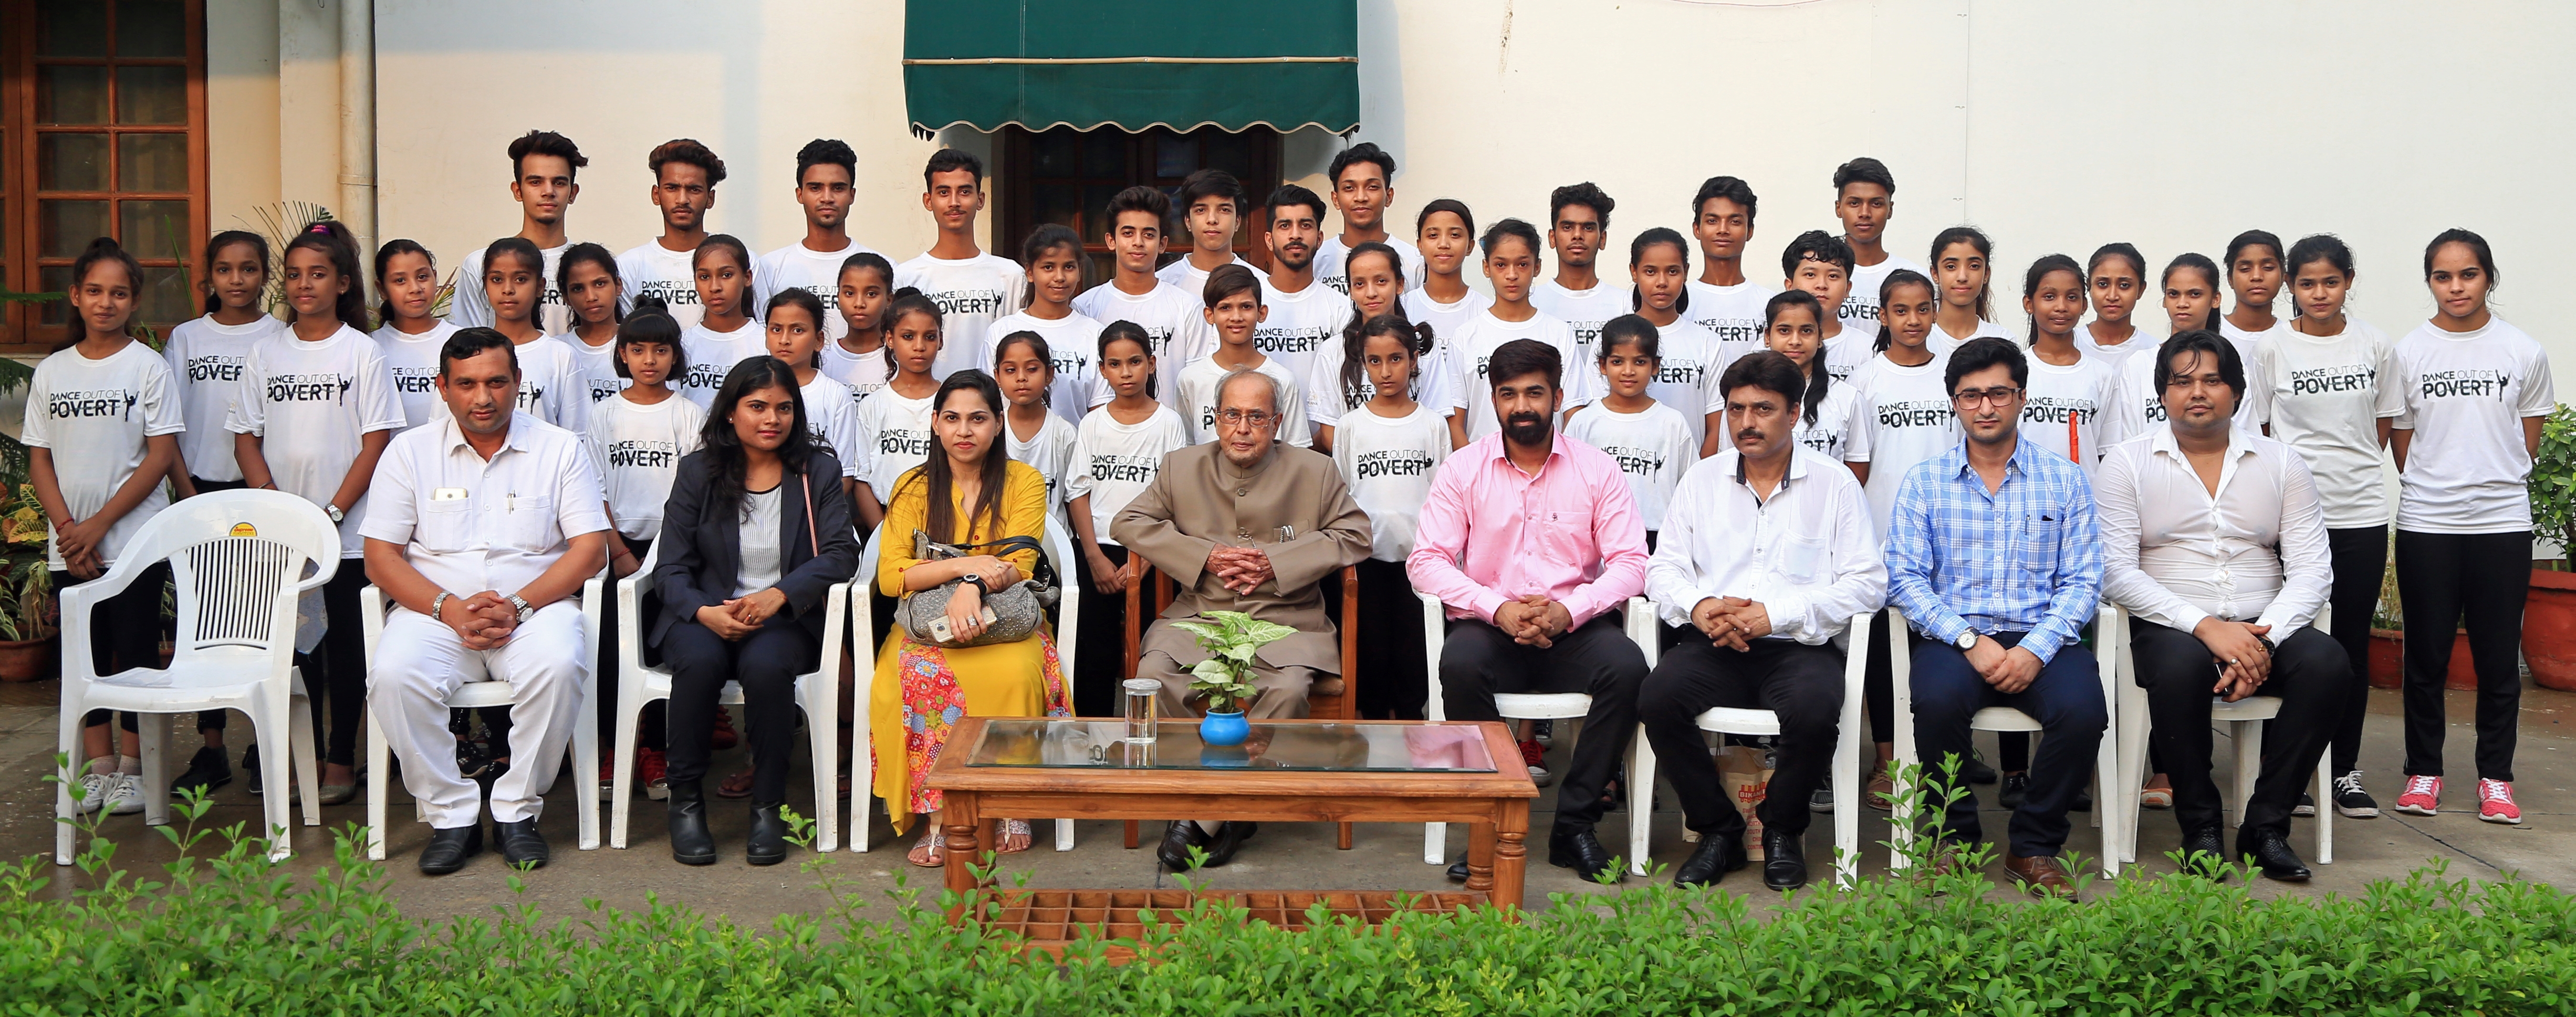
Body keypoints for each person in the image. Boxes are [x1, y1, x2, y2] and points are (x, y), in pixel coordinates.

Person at [361, 327, 610, 874]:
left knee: (561, 662)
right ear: (443, 387)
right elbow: (380, 556)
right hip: (435, 612)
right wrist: (449, 608)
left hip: (533, 609)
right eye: (467, 383)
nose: (483, 396)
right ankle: (452, 813)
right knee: (394, 673)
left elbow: (590, 549)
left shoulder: (559, 448)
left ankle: (518, 810)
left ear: (518, 382)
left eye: (497, 381)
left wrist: (518, 605)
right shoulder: (410, 451)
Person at [2099, 330, 2341, 882]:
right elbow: (2117, 571)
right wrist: (2207, 627)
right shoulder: (2126, 463)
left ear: (2236, 390)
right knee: (2181, 666)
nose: (2197, 392)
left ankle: (2266, 825)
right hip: (2172, 624)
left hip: (2264, 619)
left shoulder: (2282, 462)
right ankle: (2201, 827)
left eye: (2212, 379)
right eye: (2182, 381)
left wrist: (2262, 639)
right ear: (2162, 393)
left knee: (2329, 664)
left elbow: (2313, 570)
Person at [1641, 351, 1886, 890]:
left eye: (1763, 408)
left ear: (1795, 413)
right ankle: (1718, 831)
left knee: (1818, 706)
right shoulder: (1701, 480)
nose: (1746, 422)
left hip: (1797, 646)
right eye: (1736, 409)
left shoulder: (1835, 483)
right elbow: (1663, 568)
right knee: (1658, 697)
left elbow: (1867, 582)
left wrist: (1775, 614)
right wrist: (1702, 608)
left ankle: (1781, 829)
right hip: (1713, 643)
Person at [1409, 338, 1651, 884]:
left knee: (1629, 668)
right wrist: (1496, 608)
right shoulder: (1463, 469)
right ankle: (1493, 825)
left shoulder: (1597, 469)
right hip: (1492, 627)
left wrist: (1570, 610)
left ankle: (1575, 825)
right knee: (1460, 664)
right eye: (1509, 393)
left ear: (1559, 397)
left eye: (1535, 393)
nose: (1523, 405)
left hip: (1577, 627)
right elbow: (1426, 560)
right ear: (1493, 399)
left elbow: (1633, 562)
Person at [1113, 366, 1372, 871]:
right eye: (1232, 414)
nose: (1243, 428)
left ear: (1276, 422)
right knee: (1151, 679)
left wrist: (1280, 561)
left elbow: (1356, 535)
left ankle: (1206, 816)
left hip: (1287, 621)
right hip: (1200, 617)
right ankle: (1221, 809)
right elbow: (1128, 521)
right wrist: (1203, 555)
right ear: (1215, 419)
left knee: (1289, 689)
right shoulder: (1181, 466)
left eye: (1257, 417)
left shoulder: (1313, 471)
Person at [1884, 337, 2105, 899]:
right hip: (1955, 637)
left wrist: (2036, 648)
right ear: (1954, 402)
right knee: (1935, 701)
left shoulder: (2065, 478)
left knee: (2083, 712)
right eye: (1971, 395)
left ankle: (2033, 844)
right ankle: (1953, 840)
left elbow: (2083, 580)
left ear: (2022, 397)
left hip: (2042, 635)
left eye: (1998, 393)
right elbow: (1905, 578)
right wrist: (1967, 638)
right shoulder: (1924, 481)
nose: (1986, 406)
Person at [652, 357, 859, 866]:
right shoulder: (698, 471)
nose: (772, 418)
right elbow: (670, 568)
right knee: (698, 664)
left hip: (782, 618)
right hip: (706, 613)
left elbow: (840, 552)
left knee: (768, 668)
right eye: (758, 406)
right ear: (730, 412)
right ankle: (686, 801)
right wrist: (704, 612)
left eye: (784, 408)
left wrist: (780, 594)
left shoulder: (817, 470)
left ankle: (769, 803)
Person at [2380, 228, 2554, 825]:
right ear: (2429, 281)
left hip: (2502, 524)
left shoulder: (2523, 350)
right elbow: (2404, 446)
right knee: (2425, 656)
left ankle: (2496, 778)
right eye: (2443, 276)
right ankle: (2423, 771)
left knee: (2498, 658)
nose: (2456, 286)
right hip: (2428, 521)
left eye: (2469, 274)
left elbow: (2523, 443)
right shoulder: (2407, 353)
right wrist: (2445, 485)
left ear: (2489, 277)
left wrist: (2486, 481)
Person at [231, 221, 406, 808]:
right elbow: (246, 440)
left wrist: (331, 512)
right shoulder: (265, 351)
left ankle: (340, 754)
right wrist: (280, 508)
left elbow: (376, 441)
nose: (304, 284)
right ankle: (293, 749)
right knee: (291, 645)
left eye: (318, 274)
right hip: (282, 533)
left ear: (342, 282)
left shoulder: (363, 351)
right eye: (296, 274)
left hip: (349, 531)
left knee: (347, 648)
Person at [870, 370, 1071, 866]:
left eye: (978, 419)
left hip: (1004, 619)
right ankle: (940, 816)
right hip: (928, 625)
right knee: (913, 676)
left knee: (1015, 672)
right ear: (935, 423)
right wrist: (965, 568)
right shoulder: (913, 486)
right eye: (953, 418)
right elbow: (891, 575)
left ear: (998, 424)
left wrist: (973, 588)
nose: (965, 430)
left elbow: (1019, 565)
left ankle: (1009, 803)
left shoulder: (1023, 480)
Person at [30, 238, 184, 816]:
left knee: (136, 654)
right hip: (72, 547)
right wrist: (69, 529)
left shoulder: (147, 365)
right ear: (76, 295)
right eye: (94, 290)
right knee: (85, 657)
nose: (105, 302)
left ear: (134, 300)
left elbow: (160, 454)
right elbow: (40, 456)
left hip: (133, 544)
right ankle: (97, 768)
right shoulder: (52, 371)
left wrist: (98, 525)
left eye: (118, 292)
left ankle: (135, 766)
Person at [2254, 234, 2395, 820]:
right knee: (2286, 639)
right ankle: (2288, 773)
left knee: (2349, 646)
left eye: (2330, 282)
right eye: (2307, 283)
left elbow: (2381, 430)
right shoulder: (2269, 348)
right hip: (2291, 520)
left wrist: (2344, 478)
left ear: (2349, 281)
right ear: (2291, 285)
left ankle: (2343, 769)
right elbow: (2261, 430)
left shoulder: (2376, 345)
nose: (2318, 293)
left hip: (2359, 512)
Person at [1841, 270, 1958, 803]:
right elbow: (1859, 462)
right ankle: (1887, 759)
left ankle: (1941, 758)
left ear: (1935, 310)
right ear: (1882, 316)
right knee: (1885, 651)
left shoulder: (1953, 377)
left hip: (1948, 531)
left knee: (1937, 644)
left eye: (1922, 308)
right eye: (1901, 310)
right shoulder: (1865, 379)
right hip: (1883, 527)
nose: (1913, 320)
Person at [582, 298, 703, 803]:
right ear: (623, 354)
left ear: (675, 356)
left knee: (659, 651)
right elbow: (591, 490)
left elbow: (694, 492)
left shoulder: (688, 413)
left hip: (671, 550)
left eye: (660, 349)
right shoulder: (603, 414)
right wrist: (620, 553)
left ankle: (655, 748)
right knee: (611, 650)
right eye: (637, 349)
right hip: (616, 547)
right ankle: (616, 749)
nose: (649, 359)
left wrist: (662, 558)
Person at [1063, 322, 1189, 717]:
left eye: (1135, 362)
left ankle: (1153, 732)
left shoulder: (1168, 423)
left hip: (1153, 551)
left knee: (1153, 649)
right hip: (1098, 549)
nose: (1126, 372)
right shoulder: (1092, 424)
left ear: (1151, 364)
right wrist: (1094, 558)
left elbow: (1176, 499)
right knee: (1094, 651)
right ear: (1102, 369)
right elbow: (1077, 492)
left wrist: (1147, 558)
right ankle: (1091, 737)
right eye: (1115, 364)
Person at [1329, 314, 1449, 720]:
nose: (1386, 370)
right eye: (1375, 361)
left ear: (1414, 359)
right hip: (1367, 561)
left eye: (1396, 358)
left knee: (1414, 655)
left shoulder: (1432, 425)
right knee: (1371, 655)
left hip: (1421, 563)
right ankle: (1374, 734)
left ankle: (1414, 738)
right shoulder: (1350, 427)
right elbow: (1340, 495)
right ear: (1363, 363)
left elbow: (1445, 497)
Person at [1448, 219, 1592, 444]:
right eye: (1501, 265)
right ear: (1487, 268)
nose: (1512, 275)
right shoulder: (1466, 336)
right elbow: (1455, 422)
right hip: (1485, 470)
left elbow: (1574, 414)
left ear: (1537, 267)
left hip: (1550, 470)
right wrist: (1474, 469)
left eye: (1522, 264)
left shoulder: (1559, 333)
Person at [1563, 317, 1694, 555]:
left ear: (1655, 366)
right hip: (1595, 539)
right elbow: (1567, 489)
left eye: (1640, 362)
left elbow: (1690, 491)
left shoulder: (1673, 423)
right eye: (1617, 361)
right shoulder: (1583, 422)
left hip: (1658, 540)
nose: (1628, 371)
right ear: (1603, 366)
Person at [1309, 242, 1454, 453]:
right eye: (1359, 284)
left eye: (1381, 281)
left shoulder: (1423, 347)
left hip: (1415, 466)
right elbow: (1330, 431)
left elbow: (1436, 420)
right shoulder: (1333, 351)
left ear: (1400, 284)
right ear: (1349, 290)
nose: (1371, 293)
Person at [1073, 186, 1206, 409]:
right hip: (1106, 437)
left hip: (1175, 438)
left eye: (1148, 234)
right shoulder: (1085, 308)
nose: (1138, 242)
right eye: (1128, 233)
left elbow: (1198, 386)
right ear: (1111, 240)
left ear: (1162, 244)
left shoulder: (1189, 307)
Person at [896, 148, 1024, 378]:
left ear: (980, 199)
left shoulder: (1010, 275)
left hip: (992, 406)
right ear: (928, 201)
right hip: (927, 407)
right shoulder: (905, 276)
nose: (954, 202)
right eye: (944, 192)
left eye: (964, 191)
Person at [450, 130, 586, 333]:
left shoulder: (589, 269)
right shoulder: (481, 264)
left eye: (559, 182)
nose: (548, 191)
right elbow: (467, 342)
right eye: (535, 182)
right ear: (517, 191)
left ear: (573, 193)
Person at [756, 139, 882, 340]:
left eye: (838, 188)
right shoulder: (770, 268)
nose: (827, 198)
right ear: (800, 194)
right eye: (815, 188)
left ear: (852, 195)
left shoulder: (880, 268)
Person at [1179, 265, 1312, 447]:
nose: (1236, 317)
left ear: (1261, 313)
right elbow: (1187, 448)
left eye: (1246, 307)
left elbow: (1297, 450)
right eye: (1225, 308)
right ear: (1210, 315)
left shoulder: (1283, 380)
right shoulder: (1191, 379)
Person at [470, 237, 590, 435]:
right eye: (497, 279)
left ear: (540, 287)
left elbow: (578, 435)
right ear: (485, 285)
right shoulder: (468, 354)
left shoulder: (560, 356)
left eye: (521, 279)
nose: (508, 289)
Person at [985, 225, 1103, 423]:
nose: (1059, 277)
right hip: (1010, 451)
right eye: (1049, 267)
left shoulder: (1095, 334)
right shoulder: (1002, 332)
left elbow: (1100, 412)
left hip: (1075, 450)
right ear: (1030, 273)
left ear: (1080, 271)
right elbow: (988, 401)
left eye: (1069, 267)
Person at [1624, 227, 1726, 456]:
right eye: (1650, 272)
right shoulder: (1614, 339)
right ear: (1634, 272)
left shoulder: (1708, 342)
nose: (1662, 282)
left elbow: (1717, 424)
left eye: (1672, 272)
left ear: (1686, 272)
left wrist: (1697, 475)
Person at [764, 289, 867, 506]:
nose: (784, 340)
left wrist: (815, 514)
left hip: (818, 513)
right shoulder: (752, 390)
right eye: (776, 330)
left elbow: (845, 474)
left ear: (819, 340)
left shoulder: (836, 395)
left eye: (797, 330)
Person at [2018, 254, 2118, 471]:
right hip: (2026, 498)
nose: (2061, 307)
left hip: (2083, 500)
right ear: (2029, 303)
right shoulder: (2015, 370)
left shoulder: (2102, 374)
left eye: (2072, 297)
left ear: (2084, 305)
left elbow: (2108, 452)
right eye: (2049, 297)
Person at [852, 290, 944, 523]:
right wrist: (883, 537)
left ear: (941, 341)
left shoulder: (952, 402)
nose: (920, 346)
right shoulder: (872, 406)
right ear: (890, 339)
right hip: (886, 519)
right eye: (908, 337)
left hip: (944, 520)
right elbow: (862, 479)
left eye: (930, 337)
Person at [616, 138, 725, 329]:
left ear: (710, 198)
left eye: (694, 189)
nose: (682, 200)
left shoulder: (739, 262)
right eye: (672, 188)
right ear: (656, 195)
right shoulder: (628, 266)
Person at [1252, 185, 1348, 395]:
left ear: (1320, 238)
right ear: (1269, 239)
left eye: (1305, 225)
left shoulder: (1342, 310)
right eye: (1285, 225)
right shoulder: (1246, 305)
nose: (1295, 235)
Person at [1531, 182, 1625, 366]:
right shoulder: (1532, 302)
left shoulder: (1625, 305)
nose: (1577, 235)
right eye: (1567, 227)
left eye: (1588, 228)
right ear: (1552, 238)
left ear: (1603, 239)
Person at [1684, 176, 1777, 362]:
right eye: (1712, 221)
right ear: (1697, 229)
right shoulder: (1679, 301)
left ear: (1750, 231)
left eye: (1735, 221)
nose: (1723, 230)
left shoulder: (1770, 303)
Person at [1315, 142, 1425, 292]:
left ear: (1389, 196)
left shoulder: (1414, 262)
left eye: (1372, 187)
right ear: (1336, 199)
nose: (1361, 197)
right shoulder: (1316, 260)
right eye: (1349, 188)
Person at [372, 239, 458, 431]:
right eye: (400, 281)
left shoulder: (461, 342)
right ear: (382, 289)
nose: (415, 288)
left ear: (435, 277)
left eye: (422, 277)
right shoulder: (371, 347)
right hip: (386, 459)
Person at [1830, 158, 1924, 332]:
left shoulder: (1913, 277)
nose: (1865, 213)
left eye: (1876, 204)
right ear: (1838, 208)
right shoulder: (1819, 276)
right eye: (1854, 203)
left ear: (1890, 210)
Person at [1760, 290, 1855, 462]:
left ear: (1820, 337)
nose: (1795, 341)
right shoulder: (1747, 396)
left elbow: (1857, 466)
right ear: (1768, 336)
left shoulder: (1847, 397)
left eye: (1806, 331)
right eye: (1784, 331)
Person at [993, 331, 1078, 521]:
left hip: (1054, 546)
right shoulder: (991, 430)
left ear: (1049, 374)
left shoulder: (1064, 433)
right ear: (997, 376)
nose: (1021, 378)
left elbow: (1073, 498)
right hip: (1000, 543)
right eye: (1010, 370)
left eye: (1032, 369)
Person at [677, 235, 764, 410]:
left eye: (726, 275)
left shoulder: (766, 343)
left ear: (747, 278)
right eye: (704, 277)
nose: (715, 287)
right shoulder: (681, 345)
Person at [1401, 199, 1491, 350]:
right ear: (1420, 245)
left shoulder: (1486, 311)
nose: (1443, 244)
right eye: (1433, 235)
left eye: (1455, 235)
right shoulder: (1402, 308)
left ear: (1470, 246)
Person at [1154, 169, 1256, 296]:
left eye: (1224, 210)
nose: (1212, 219)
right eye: (1201, 210)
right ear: (1187, 221)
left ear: (1238, 221)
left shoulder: (1260, 285)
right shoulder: (1162, 284)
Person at [1782, 230, 1865, 385]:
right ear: (1790, 285)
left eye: (1833, 276)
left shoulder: (1867, 350)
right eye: (1810, 275)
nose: (1822, 285)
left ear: (1848, 289)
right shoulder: (1771, 347)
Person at [554, 242, 628, 406]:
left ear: (618, 286)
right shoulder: (556, 351)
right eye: (578, 289)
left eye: (600, 284)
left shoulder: (639, 347)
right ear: (566, 297)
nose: (591, 297)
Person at [826, 251, 898, 408]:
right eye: (850, 293)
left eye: (871, 294)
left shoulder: (901, 358)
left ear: (889, 300)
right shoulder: (823, 359)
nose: (859, 303)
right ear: (838, 297)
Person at [1928, 226, 2009, 353]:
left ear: (1986, 274)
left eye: (1974, 266)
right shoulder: (1919, 339)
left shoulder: (2002, 340)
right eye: (1951, 267)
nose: (1962, 277)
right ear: (1935, 274)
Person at [2078, 243, 2155, 371]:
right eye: (2103, 284)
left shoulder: (2153, 351)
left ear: (2141, 290)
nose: (2112, 296)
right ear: (2089, 286)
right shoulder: (2071, 345)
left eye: (2124, 285)